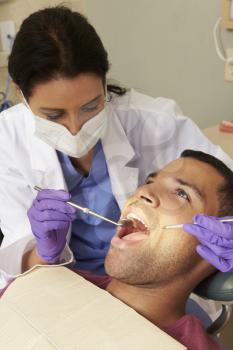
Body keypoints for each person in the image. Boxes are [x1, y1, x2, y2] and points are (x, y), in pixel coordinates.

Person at [0, 7, 233, 280]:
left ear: (104, 82)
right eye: (54, 115)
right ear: (20, 93)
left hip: (150, 283)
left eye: (90, 106)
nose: (75, 129)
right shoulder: (7, 138)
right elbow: (21, 262)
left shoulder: (157, 123)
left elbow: (225, 193)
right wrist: (44, 251)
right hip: (61, 286)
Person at [1, 150, 230, 350]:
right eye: (150, 181)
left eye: (181, 193)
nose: (143, 192)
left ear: (217, 242)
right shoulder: (41, 283)